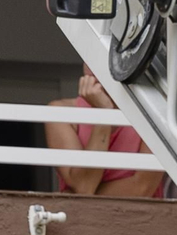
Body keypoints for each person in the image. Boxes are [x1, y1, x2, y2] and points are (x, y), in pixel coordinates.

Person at [45, 64, 166, 197]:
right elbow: (84, 186)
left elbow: (142, 188)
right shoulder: (60, 112)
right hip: (84, 211)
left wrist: (81, 196)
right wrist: (103, 112)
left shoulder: (151, 111)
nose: (93, 66)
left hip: (140, 211)